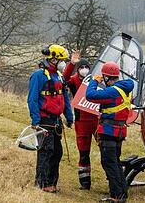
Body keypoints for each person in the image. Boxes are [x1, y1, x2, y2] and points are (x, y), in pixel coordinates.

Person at [84, 62, 134, 203]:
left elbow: (90, 95)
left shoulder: (113, 91)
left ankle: (117, 196)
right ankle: (121, 194)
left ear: (106, 77)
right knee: (115, 163)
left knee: (110, 164)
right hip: (119, 131)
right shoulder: (126, 89)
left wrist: (94, 81)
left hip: (109, 131)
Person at [27, 44, 74, 193]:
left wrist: (69, 116)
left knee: (57, 152)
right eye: (61, 60)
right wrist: (35, 120)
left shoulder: (59, 76)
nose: (63, 63)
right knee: (46, 151)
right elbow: (32, 99)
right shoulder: (38, 76)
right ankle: (41, 183)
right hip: (44, 119)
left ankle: (52, 183)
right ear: (53, 59)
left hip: (56, 120)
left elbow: (65, 97)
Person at [62, 51, 99, 190]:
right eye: (81, 68)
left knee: (107, 149)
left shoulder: (96, 79)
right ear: (78, 70)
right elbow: (63, 80)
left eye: (86, 67)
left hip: (96, 119)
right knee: (84, 152)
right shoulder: (73, 80)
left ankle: (112, 177)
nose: (84, 70)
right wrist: (71, 64)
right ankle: (85, 182)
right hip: (81, 121)